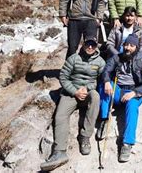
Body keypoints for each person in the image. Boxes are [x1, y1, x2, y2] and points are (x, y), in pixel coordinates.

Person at [40, 37, 105, 171]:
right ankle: (60, 152)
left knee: (96, 97)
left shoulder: (100, 62)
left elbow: (98, 80)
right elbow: (63, 77)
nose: (90, 48)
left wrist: (86, 89)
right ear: (83, 44)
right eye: (88, 44)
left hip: (87, 92)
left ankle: (85, 137)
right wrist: (75, 91)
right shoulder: (73, 58)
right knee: (60, 116)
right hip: (71, 92)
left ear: (96, 46)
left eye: (93, 45)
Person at [97, 34, 142, 163]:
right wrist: (106, 81)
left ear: (136, 47)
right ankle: (104, 119)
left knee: (132, 107)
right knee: (104, 86)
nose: (128, 48)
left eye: (131, 46)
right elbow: (106, 71)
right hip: (119, 89)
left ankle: (127, 143)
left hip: (133, 91)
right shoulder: (117, 57)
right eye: (126, 44)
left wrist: (135, 93)